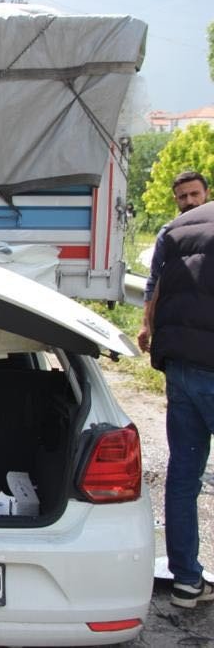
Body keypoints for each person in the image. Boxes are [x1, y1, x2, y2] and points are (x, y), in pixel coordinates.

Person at [138, 170, 214, 609]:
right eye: (181, 195)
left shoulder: (172, 231)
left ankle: (186, 581)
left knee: (183, 479)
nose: (187, 200)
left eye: (192, 194)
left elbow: (155, 291)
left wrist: (149, 330)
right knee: (184, 478)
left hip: (180, 369)